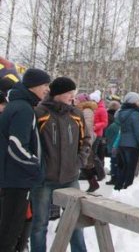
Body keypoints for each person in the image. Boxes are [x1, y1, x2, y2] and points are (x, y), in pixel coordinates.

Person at [30, 76, 91, 252]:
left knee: (75, 222)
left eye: (73, 93)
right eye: (69, 93)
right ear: (58, 94)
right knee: (40, 223)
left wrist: (80, 161)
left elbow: (86, 139)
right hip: (44, 179)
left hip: (70, 177)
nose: (72, 96)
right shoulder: (40, 113)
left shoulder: (76, 114)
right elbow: (31, 142)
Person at [0, 68, 50, 251]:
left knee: (10, 230)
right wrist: (35, 166)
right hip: (16, 180)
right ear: (34, 86)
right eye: (45, 85)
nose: (47, 89)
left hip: (13, 177)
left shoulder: (20, 105)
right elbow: (16, 145)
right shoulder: (23, 109)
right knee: (9, 233)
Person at [113, 92, 139, 190]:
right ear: (133, 101)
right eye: (138, 100)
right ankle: (127, 188)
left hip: (122, 143)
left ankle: (118, 186)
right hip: (132, 144)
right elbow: (137, 130)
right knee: (130, 168)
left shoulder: (121, 112)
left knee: (123, 167)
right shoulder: (135, 114)